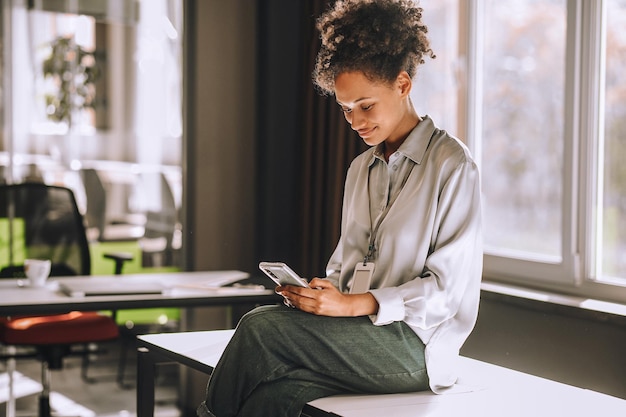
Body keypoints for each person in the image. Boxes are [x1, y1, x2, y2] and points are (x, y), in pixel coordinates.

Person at [197, 0, 482, 415]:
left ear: (403, 85)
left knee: (260, 328)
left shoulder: (453, 165)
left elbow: (447, 292)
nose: (355, 121)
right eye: (345, 109)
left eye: (365, 105)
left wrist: (355, 305)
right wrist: (325, 295)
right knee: (273, 395)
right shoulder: (360, 169)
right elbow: (347, 264)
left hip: (416, 348)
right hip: (356, 333)